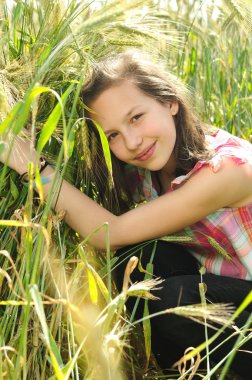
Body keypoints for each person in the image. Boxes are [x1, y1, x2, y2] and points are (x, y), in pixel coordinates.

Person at [1, 51, 252, 378]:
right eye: (113, 135)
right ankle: (184, 369)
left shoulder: (227, 170)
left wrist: (32, 166)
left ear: (170, 102)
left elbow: (109, 233)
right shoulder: (144, 170)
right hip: (231, 288)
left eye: (136, 117)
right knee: (135, 260)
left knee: (175, 304)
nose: (132, 142)